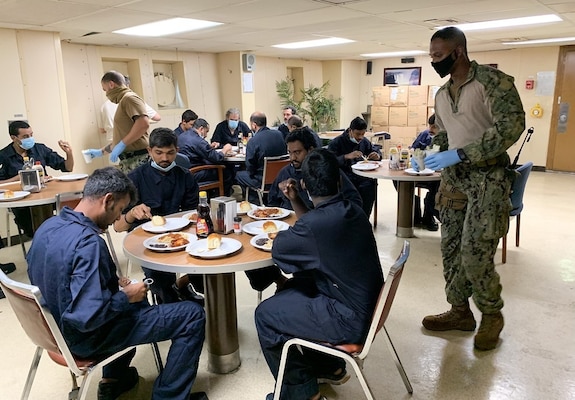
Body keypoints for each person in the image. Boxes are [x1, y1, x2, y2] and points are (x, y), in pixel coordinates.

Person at [26, 167, 207, 400]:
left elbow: (54, 276)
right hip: (84, 338)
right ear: (108, 200)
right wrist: (126, 296)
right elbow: (88, 317)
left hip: (52, 332)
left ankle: (115, 379)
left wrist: (111, 282)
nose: (116, 221)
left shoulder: (48, 227)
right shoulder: (89, 243)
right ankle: (168, 397)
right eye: (120, 210)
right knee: (191, 314)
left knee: (134, 303)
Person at [420, 26, 525, 351]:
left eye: (438, 55)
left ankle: (491, 314)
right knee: (451, 251)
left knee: (475, 254)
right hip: (454, 181)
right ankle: (460, 311)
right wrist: (434, 152)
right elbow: (444, 132)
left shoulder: (493, 83)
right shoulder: (441, 94)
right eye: (432, 55)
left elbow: (511, 125)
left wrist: (463, 152)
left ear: (458, 52)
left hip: (487, 180)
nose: (434, 61)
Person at [255, 149, 384, 400]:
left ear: (304, 184)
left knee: (265, 314)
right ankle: (330, 367)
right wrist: (295, 200)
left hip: (348, 318)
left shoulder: (314, 226)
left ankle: (302, 393)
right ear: (338, 181)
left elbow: (282, 250)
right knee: (295, 289)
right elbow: (315, 227)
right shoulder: (353, 209)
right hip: (366, 306)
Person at [114, 128, 204, 304]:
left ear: (177, 151)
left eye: (170, 153)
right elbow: (118, 226)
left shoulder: (186, 177)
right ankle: (171, 305)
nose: (164, 159)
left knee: (206, 264)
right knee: (161, 281)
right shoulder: (134, 179)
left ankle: (182, 285)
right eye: (159, 153)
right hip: (147, 241)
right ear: (149, 151)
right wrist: (132, 214)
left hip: (182, 237)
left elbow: (194, 215)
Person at [0, 120, 74, 237]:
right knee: (34, 229)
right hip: (22, 202)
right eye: (25, 136)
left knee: (70, 209)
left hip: (45, 196)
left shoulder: (39, 149)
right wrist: (18, 178)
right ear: (13, 138)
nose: (30, 139)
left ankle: (60, 238)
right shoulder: (3, 156)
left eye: (31, 135)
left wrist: (69, 153)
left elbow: (67, 167)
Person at [267, 128, 362, 212]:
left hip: (320, 225)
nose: (292, 158)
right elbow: (272, 202)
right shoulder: (285, 172)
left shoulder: (327, 170)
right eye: (289, 152)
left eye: (297, 152)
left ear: (310, 150)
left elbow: (355, 201)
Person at [85, 71, 150, 173]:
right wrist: (101, 152)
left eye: (105, 89)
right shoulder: (123, 101)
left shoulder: (129, 98)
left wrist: (122, 144)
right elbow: (123, 137)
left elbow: (143, 123)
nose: (106, 93)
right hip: (129, 160)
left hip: (138, 159)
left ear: (111, 84)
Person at [327, 116, 381, 218]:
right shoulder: (337, 142)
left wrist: (377, 155)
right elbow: (329, 162)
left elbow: (374, 151)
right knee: (352, 191)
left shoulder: (364, 142)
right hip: (344, 177)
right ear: (350, 131)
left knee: (371, 185)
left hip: (363, 177)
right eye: (357, 134)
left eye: (363, 134)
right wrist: (346, 156)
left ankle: (364, 218)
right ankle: (350, 219)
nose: (360, 137)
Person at [235, 112, 286, 204]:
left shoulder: (254, 141)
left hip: (262, 181)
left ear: (254, 125)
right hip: (281, 177)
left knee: (239, 175)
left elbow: (250, 166)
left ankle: (254, 201)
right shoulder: (279, 134)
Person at [178, 119, 235, 196]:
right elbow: (217, 158)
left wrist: (208, 147)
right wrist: (225, 149)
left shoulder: (182, 136)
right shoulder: (198, 140)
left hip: (184, 172)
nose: (206, 135)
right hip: (196, 172)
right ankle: (221, 198)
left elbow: (197, 150)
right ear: (201, 129)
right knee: (227, 172)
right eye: (206, 131)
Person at [99, 75, 161, 143]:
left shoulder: (104, 106)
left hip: (112, 144)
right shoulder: (132, 100)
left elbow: (102, 130)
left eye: (105, 90)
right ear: (127, 85)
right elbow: (157, 117)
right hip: (131, 144)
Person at [410, 114, 440, 231]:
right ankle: (415, 214)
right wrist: (414, 154)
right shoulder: (425, 134)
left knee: (436, 187)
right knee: (398, 181)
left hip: (436, 176)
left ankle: (428, 217)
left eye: (434, 127)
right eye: (429, 126)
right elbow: (413, 147)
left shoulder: (450, 138)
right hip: (421, 172)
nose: (430, 130)